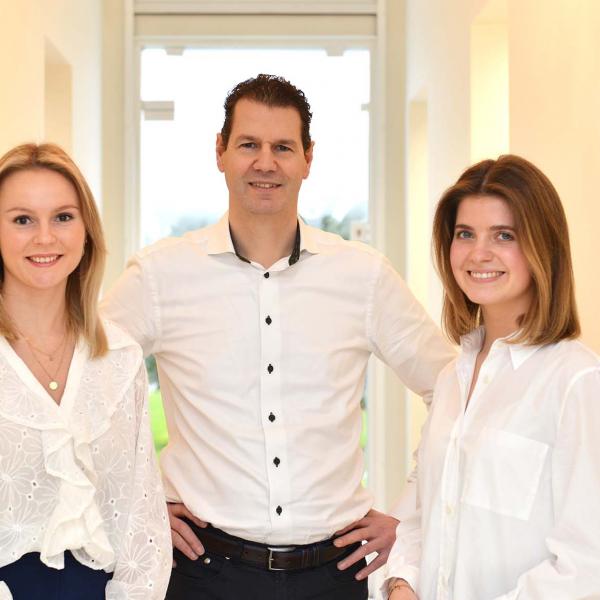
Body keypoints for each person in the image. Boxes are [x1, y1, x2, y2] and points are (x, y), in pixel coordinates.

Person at [102, 74, 455, 600]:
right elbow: (83, 387)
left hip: (335, 576)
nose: (265, 163)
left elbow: (453, 387)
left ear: (308, 158)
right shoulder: (159, 276)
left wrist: (411, 517)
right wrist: (136, 503)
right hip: (203, 575)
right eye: (249, 145)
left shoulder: (363, 277)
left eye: (283, 147)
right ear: (220, 152)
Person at [383, 155, 600, 600]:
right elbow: (424, 516)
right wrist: (402, 583)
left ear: (543, 247)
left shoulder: (577, 383)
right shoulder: (451, 379)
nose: (478, 254)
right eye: (465, 234)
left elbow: (586, 566)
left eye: (504, 235)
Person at [0, 144, 171, 600]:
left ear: (86, 231)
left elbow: (142, 525)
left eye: (62, 217)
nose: (45, 237)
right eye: (22, 219)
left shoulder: (120, 357)